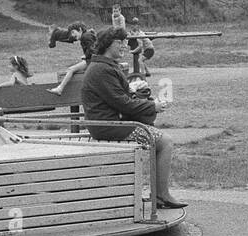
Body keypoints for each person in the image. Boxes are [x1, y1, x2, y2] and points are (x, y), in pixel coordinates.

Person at [81, 27, 180, 208]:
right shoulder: (102, 69)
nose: (124, 46)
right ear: (106, 45)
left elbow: (119, 96)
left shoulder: (102, 66)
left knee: (159, 137)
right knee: (165, 142)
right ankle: (161, 195)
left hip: (109, 122)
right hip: (109, 126)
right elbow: (124, 103)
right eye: (119, 42)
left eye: (125, 42)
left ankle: (159, 194)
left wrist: (133, 88)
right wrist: (153, 105)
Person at [49, 28, 97, 95]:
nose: (72, 35)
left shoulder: (85, 37)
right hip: (91, 60)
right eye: (71, 33)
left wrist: (86, 55)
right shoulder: (85, 36)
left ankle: (60, 89)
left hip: (91, 61)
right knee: (72, 69)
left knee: (71, 69)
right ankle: (60, 88)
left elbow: (93, 49)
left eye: (73, 32)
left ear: (80, 30)